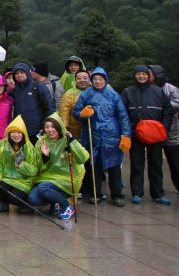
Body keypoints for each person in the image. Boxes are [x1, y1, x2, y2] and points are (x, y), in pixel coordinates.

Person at [72, 67, 130, 206]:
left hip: (112, 136)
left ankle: (117, 195)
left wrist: (126, 135)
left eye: (101, 79)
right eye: (95, 79)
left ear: (105, 80)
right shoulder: (86, 95)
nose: (98, 81)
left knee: (114, 167)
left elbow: (123, 116)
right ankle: (95, 193)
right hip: (93, 135)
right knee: (94, 166)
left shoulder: (113, 95)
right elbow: (76, 111)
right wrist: (83, 114)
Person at [121, 65, 173, 204]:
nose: (141, 77)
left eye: (144, 74)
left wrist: (163, 129)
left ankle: (158, 194)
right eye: (138, 74)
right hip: (136, 133)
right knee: (137, 165)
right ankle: (137, 193)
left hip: (155, 134)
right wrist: (128, 131)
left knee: (156, 164)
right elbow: (122, 113)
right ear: (135, 76)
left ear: (149, 76)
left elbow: (168, 112)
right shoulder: (128, 92)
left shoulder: (158, 91)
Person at [28, 115, 89, 220]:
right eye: (47, 127)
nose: (50, 130)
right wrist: (45, 156)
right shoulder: (41, 142)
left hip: (67, 178)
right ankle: (55, 202)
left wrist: (72, 142)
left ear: (59, 127)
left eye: (53, 127)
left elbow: (82, 158)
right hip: (48, 177)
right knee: (32, 199)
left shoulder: (67, 140)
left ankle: (67, 206)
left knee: (43, 188)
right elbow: (38, 167)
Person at [0, 115, 40, 213]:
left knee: (14, 198)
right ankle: (3, 203)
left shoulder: (29, 147)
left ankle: (23, 203)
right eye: (13, 132)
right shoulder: (2, 145)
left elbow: (34, 169)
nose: (16, 135)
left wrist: (20, 165)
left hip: (23, 181)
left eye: (19, 132)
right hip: (6, 178)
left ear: (23, 133)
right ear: (8, 133)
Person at [150, 65, 179, 193]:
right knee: (155, 163)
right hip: (152, 131)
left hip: (172, 131)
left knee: (174, 161)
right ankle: (157, 189)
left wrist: (160, 106)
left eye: (150, 73)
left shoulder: (170, 88)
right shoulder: (148, 89)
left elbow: (177, 103)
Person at [9, 63, 54, 139]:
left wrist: (47, 126)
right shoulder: (14, 91)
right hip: (20, 131)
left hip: (38, 130)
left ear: (27, 73)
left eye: (22, 72)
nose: (19, 75)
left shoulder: (38, 87)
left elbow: (50, 108)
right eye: (16, 73)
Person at [59, 69, 91, 140]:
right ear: (75, 80)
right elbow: (64, 113)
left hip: (93, 130)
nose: (82, 80)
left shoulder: (94, 92)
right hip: (74, 131)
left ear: (89, 79)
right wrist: (65, 129)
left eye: (85, 78)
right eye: (79, 78)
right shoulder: (69, 94)